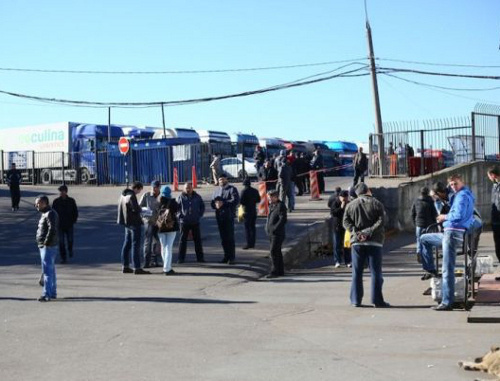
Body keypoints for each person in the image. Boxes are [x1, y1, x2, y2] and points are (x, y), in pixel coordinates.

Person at [433, 174, 475, 311]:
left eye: (455, 183)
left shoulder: (462, 196)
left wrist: (443, 217)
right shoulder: (464, 194)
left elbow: (458, 215)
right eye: (451, 185)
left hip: (452, 231)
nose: (453, 187)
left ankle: (447, 302)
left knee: (447, 268)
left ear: (462, 181)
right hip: (452, 232)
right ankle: (429, 267)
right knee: (424, 240)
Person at [343, 183, 389, 308]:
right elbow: (382, 221)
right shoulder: (377, 203)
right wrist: (369, 231)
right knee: (375, 272)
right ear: (368, 190)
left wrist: (356, 232)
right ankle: (377, 300)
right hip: (374, 242)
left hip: (357, 242)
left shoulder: (350, 205)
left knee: (357, 272)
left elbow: (345, 221)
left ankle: (355, 300)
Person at [117, 181, 150, 275]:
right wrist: (142, 209)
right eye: (139, 190)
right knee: (136, 245)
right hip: (134, 223)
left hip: (126, 222)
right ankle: (137, 267)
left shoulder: (123, 194)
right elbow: (135, 208)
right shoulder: (131, 196)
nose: (139, 192)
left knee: (127, 244)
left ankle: (125, 265)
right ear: (137, 188)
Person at [35, 195, 59, 302]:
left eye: (39, 203)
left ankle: (47, 294)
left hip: (48, 246)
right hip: (47, 245)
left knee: (47, 271)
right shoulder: (47, 213)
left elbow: (52, 229)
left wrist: (46, 243)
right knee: (51, 270)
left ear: (45, 203)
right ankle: (52, 292)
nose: (37, 205)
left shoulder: (50, 213)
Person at [211, 175, 240, 264]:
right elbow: (212, 203)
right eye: (220, 179)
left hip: (229, 216)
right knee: (223, 239)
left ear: (226, 179)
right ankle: (226, 256)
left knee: (230, 238)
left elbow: (235, 200)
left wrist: (223, 203)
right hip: (219, 217)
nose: (221, 181)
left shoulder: (232, 189)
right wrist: (215, 205)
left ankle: (232, 257)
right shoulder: (216, 191)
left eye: (223, 179)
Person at [176, 182, 205, 263]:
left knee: (197, 240)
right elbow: (177, 209)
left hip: (195, 221)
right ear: (183, 189)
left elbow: (202, 206)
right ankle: (181, 258)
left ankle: (200, 258)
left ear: (192, 188)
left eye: (189, 188)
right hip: (184, 222)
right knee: (182, 241)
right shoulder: (180, 197)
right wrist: (180, 216)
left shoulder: (197, 197)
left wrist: (199, 215)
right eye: (186, 188)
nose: (188, 189)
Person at [52, 185, 79, 264]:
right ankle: (63, 258)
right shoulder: (56, 202)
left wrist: (74, 220)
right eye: (60, 191)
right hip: (59, 225)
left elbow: (75, 211)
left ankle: (70, 249)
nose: (61, 193)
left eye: (62, 191)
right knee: (61, 242)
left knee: (70, 240)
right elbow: (52, 213)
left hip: (69, 224)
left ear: (66, 192)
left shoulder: (71, 201)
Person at [411, 187, 437, 265]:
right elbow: (434, 213)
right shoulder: (430, 201)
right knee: (428, 241)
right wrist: (435, 223)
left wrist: (415, 223)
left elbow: (413, 213)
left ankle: (419, 252)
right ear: (427, 193)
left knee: (419, 239)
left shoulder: (416, 201)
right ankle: (428, 257)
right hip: (429, 225)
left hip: (419, 224)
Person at [157, 186, 179, 275]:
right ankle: (167, 268)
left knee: (163, 247)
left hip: (160, 227)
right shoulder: (173, 202)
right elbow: (177, 210)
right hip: (171, 226)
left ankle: (165, 266)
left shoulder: (158, 201)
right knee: (168, 247)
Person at [139, 180, 162, 268]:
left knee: (156, 242)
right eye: (153, 187)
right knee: (147, 242)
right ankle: (146, 262)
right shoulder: (146, 195)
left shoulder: (161, 196)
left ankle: (154, 260)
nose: (154, 189)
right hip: (148, 222)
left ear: (159, 187)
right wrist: (144, 214)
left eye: (156, 187)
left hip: (158, 223)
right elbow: (139, 207)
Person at [265, 189, 287, 278]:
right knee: (277, 251)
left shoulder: (280, 206)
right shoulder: (271, 205)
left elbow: (283, 219)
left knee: (273, 251)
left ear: (276, 197)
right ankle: (280, 270)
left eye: (271, 197)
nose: (269, 199)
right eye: (268, 198)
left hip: (277, 233)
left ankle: (274, 271)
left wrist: (275, 228)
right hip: (271, 232)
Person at [331, 190, 352, 268]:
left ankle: (348, 261)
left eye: (346, 197)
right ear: (339, 197)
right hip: (337, 227)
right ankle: (337, 261)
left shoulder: (349, 203)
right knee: (337, 244)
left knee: (347, 244)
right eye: (343, 197)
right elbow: (333, 213)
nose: (344, 199)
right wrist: (341, 207)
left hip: (346, 227)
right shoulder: (335, 203)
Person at [239, 178, 261, 249]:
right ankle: (253, 243)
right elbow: (259, 200)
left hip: (246, 211)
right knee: (253, 227)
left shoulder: (244, 191)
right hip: (253, 210)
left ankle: (248, 243)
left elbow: (241, 201)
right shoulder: (255, 191)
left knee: (247, 228)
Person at [487, 167, 500, 263]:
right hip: (495, 220)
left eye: (489, 176)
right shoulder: (495, 186)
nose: (489, 178)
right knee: (498, 246)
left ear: (493, 175)